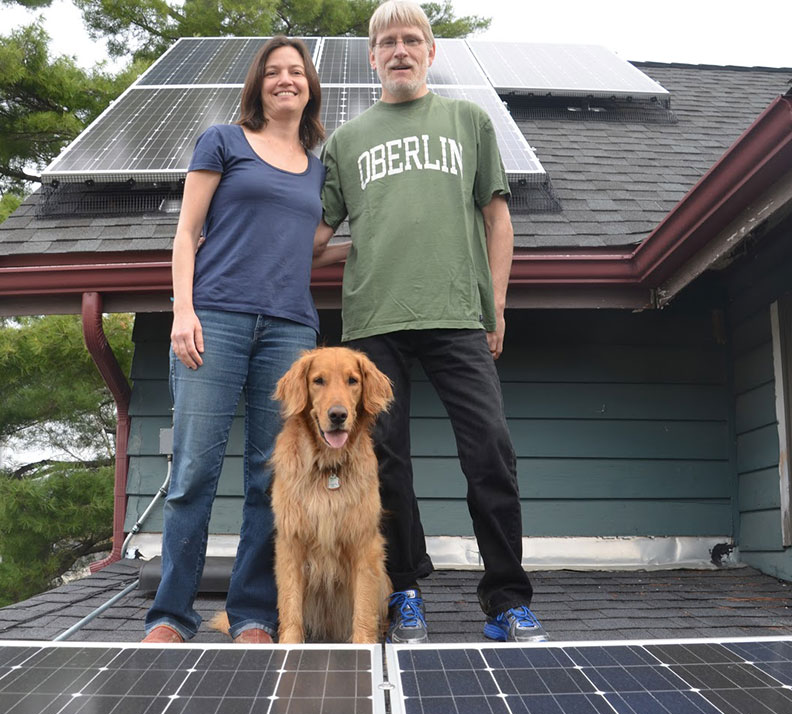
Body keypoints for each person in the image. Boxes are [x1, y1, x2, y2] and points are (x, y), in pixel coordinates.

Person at [313, 0, 549, 644]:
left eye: (412, 39)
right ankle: (406, 594)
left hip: (456, 314)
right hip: (373, 321)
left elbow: (498, 220)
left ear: (430, 52)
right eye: (387, 41)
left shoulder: (468, 121)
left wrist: (494, 305)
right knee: (385, 462)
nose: (399, 50)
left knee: (491, 451)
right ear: (372, 57)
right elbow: (316, 236)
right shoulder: (346, 141)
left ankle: (506, 599)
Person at [144, 36, 326, 645]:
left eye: (295, 72)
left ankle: (252, 614)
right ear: (258, 85)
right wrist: (183, 310)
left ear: (310, 86)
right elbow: (186, 233)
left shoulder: (320, 170)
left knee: (268, 479)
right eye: (273, 72)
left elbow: (312, 248)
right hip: (214, 319)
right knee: (194, 469)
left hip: (291, 329)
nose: (285, 80)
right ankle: (171, 615)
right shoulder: (222, 140)